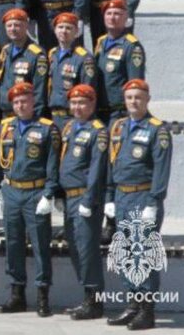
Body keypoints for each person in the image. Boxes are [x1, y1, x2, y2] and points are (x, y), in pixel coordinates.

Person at [104, 78, 170, 330]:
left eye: (138, 97)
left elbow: (161, 170)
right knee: (125, 254)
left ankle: (147, 311)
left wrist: (153, 202)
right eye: (130, 97)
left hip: (143, 198)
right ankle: (133, 305)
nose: (134, 101)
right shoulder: (118, 127)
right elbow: (113, 164)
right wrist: (110, 197)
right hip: (122, 197)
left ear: (147, 100)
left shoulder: (157, 130)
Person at [0, 81, 61, 317]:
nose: (20, 105)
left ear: (33, 102)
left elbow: (53, 165)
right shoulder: (6, 127)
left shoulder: (47, 129)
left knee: (41, 245)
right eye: (16, 102)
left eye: (24, 101)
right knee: (13, 244)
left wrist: (49, 194)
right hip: (12, 191)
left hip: (35, 192)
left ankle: (43, 296)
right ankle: (17, 294)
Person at [57, 83, 109, 321]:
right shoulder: (70, 127)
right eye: (74, 102)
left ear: (92, 104)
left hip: (85, 199)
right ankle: (87, 296)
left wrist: (89, 199)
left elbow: (97, 170)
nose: (77, 107)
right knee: (76, 249)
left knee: (87, 250)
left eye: (82, 103)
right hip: (69, 198)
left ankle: (94, 302)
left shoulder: (98, 131)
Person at [94, 0, 146, 121]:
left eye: (117, 14)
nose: (112, 18)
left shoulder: (132, 46)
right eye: (109, 13)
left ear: (126, 18)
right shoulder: (101, 42)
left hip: (120, 112)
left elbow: (135, 83)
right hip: (100, 110)